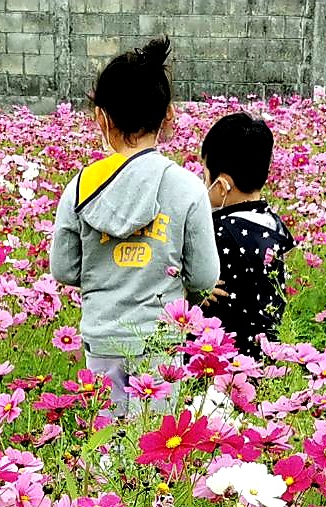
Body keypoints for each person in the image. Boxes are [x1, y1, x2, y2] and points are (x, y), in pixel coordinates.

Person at [48, 37, 218, 419]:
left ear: (102, 119)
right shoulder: (187, 186)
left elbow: (63, 268)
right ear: (169, 116)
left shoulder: (80, 187)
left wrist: (102, 272)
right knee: (157, 441)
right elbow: (205, 276)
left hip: (102, 337)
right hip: (160, 339)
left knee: (109, 446)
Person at [199, 112, 293, 360]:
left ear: (222, 185)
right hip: (265, 354)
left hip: (223, 361)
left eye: (205, 174)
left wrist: (196, 290)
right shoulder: (274, 224)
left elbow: (193, 284)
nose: (202, 181)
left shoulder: (217, 231)